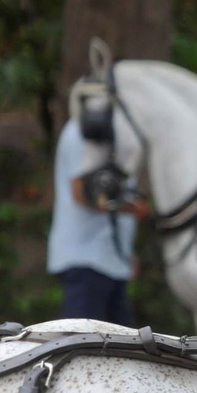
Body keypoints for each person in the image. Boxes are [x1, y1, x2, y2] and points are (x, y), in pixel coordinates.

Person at [49, 117, 138, 326]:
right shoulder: (84, 128)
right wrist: (131, 208)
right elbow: (83, 193)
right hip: (87, 259)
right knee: (80, 344)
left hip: (111, 258)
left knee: (124, 351)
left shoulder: (116, 128)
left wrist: (126, 251)